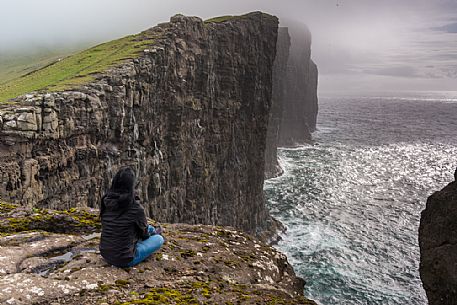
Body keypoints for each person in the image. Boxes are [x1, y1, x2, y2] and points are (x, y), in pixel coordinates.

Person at [99, 167, 164, 268]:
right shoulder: (135, 208)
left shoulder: (106, 200)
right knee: (159, 239)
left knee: (149, 227)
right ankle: (154, 232)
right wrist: (147, 235)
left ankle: (152, 230)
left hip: (105, 253)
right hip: (124, 259)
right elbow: (144, 235)